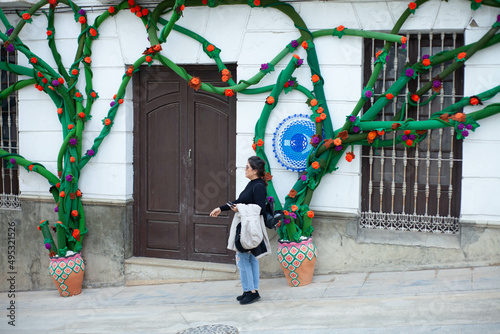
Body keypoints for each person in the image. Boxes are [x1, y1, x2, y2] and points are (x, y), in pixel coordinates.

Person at [210, 156, 271, 305]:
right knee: (249, 258)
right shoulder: (252, 184)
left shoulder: (258, 186)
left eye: (247, 167)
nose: (245, 170)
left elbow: (260, 209)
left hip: (249, 229)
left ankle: (251, 291)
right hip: (246, 226)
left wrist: (240, 209)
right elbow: (239, 202)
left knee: (243, 258)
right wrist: (221, 208)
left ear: (255, 170)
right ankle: (250, 290)